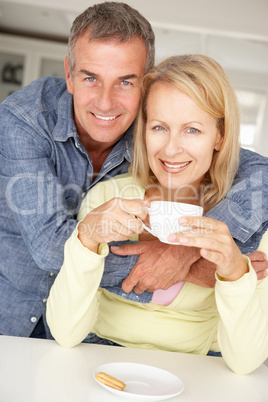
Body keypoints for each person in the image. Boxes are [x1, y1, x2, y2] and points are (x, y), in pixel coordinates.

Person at [0, 2, 267, 340]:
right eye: (91, 78)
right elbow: (50, 247)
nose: (106, 102)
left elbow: (258, 173)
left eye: (125, 82)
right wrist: (198, 269)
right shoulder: (22, 121)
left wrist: (183, 250)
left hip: (86, 334)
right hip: (9, 320)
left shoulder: (155, 131)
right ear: (69, 74)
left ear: (145, 81)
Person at [46, 54, 268, 375]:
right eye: (159, 127)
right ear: (143, 130)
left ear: (219, 135)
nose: (171, 149)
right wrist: (86, 239)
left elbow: (246, 363)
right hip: (99, 361)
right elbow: (65, 335)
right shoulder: (109, 197)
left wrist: (234, 273)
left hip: (197, 371)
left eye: (192, 130)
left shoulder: (251, 220)